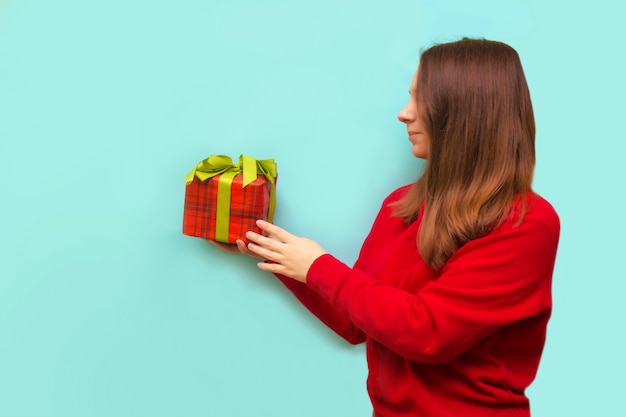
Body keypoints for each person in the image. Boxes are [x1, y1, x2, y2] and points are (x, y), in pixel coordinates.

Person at [212, 38, 560, 417]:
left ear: (465, 112)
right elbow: (353, 320)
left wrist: (316, 266)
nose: (404, 113)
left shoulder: (526, 224)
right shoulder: (402, 205)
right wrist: (270, 247)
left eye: (419, 99)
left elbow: (427, 332)